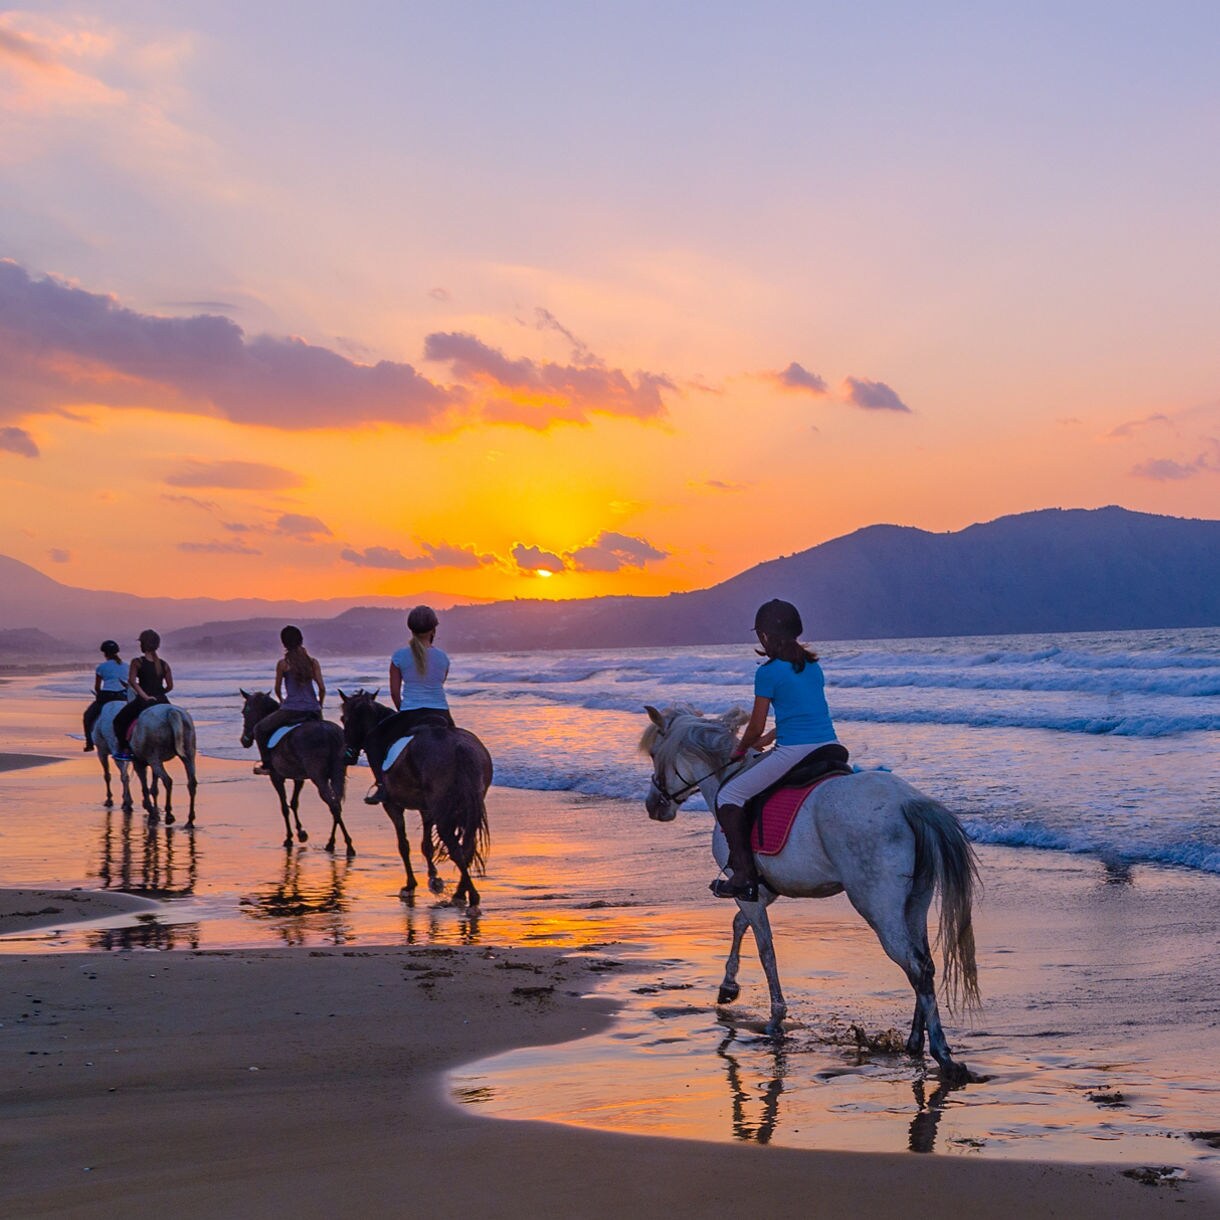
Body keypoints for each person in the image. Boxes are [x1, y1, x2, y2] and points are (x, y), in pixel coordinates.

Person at [711, 599, 847, 900]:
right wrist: (771, 735)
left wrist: (741, 750)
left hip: (794, 752)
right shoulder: (813, 666)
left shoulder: (768, 672)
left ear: (765, 636)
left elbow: (755, 726)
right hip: (830, 746)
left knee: (729, 795)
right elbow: (804, 713)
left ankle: (744, 877)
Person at [362, 605, 454, 805]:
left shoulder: (399, 656)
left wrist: (402, 710)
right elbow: (440, 683)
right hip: (441, 713)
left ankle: (382, 786)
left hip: (411, 713)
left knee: (373, 741)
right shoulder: (443, 657)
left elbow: (395, 692)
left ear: (410, 629)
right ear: (434, 629)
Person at [252, 626, 326, 775]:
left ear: (284, 643)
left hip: (292, 710)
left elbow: (277, 689)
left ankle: (267, 764)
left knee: (259, 729)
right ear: (301, 640)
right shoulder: (313, 662)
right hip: (313, 710)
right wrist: (319, 705)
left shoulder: (283, 664)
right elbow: (322, 688)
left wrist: (282, 701)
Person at [111, 629, 173, 760]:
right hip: (163, 700)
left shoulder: (137, 662)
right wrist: (160, 694)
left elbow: (132, 682)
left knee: (119, 721)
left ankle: (125, 750)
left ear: (143, 644)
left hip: (144, 701)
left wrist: (145, 697)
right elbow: (169, 687)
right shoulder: (164, 664)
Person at [82, 640, 128, 752]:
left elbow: (97, 687)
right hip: (123, 696)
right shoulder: (127, 666)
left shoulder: (101, 667)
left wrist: (98, 695)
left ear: (105, 654)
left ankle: (89, 743)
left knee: (88, 717)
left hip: (107, 696)